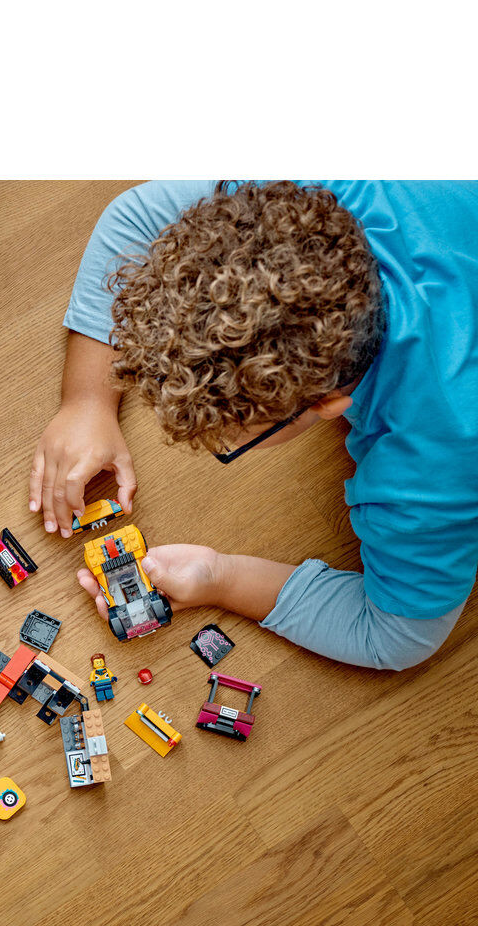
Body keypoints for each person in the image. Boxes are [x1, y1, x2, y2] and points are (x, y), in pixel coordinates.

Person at [29, 180, 478, 670]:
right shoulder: (297, 196)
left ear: (327, 405)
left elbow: (394, 637)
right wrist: (88, 400)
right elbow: (135, 217)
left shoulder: (433, 471)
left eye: (227, 441)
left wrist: (223, 578)